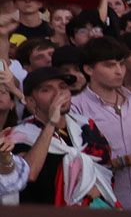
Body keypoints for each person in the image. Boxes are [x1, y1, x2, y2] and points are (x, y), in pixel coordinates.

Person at [70, 36, 131, 209]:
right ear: (88, 69)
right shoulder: (76, 107)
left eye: (121, 64)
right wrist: (125, 161)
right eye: (110, 65)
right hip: (107, 202)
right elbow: (77, 163)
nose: (119, 71)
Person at [10, 67, 117, 207]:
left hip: (91, 215)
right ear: (31, 101)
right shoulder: (19, 135)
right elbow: (28, 174)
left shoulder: (85, 125)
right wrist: (51, 123)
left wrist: (97, 186)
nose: (58, 94)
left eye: (63, 87)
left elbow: (106, 166)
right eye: (46, 90)